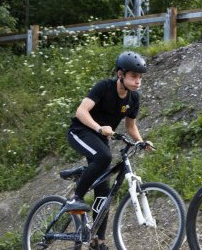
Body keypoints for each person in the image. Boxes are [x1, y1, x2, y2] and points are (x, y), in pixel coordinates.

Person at [66, 51, 153, 250]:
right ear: (120, 74)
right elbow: (81, 111)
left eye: (140, 77)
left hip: (100, 138)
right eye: (133, 76)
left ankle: (98, 240)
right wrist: (98, 128)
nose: (138, 81)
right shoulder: (104, 87)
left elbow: (131, 126)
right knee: (104, 157)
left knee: (104, 191)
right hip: (80, 131)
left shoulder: (133, 98)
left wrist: (141, 141)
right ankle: (75, 198)